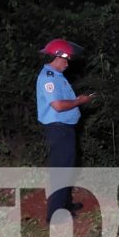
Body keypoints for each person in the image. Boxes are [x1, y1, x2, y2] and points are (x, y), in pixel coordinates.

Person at [37, 39, 94, 223]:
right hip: (58, 129)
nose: (67, 63)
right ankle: (54, 214)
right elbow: (59, 106)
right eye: (66, 59)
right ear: (57, 57)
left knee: (68, 167)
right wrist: (80, 101)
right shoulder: (49, 77)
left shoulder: (58, 76)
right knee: (60, 170)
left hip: (66, 129)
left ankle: (65, 204)